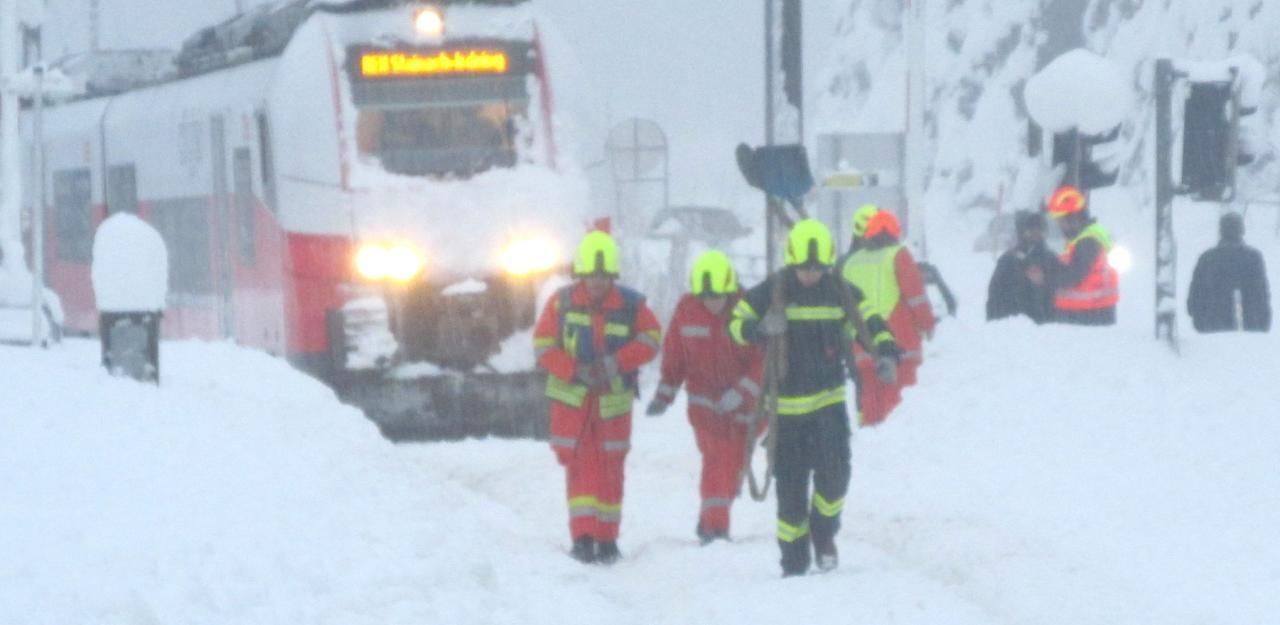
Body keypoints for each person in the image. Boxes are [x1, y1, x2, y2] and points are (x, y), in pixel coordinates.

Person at [730, 219, 899, 577]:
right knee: (790, 494)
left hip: (828, 407)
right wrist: (757, 328)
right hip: (787, 415)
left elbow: (869, 320)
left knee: (836, 478)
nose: (810, 275)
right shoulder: (773, 290)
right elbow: (736, 321)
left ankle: (823, 532)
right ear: (792, 262)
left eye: (818, 268)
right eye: (804, 268)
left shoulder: (839, 290)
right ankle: (793, 563)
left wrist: (887, 352)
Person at [533, 230, 662, 565]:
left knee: (610, 473)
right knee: (580, 471)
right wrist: (574, 370)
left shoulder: (632, 305)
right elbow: (544, 346)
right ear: (581, 274)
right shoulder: (560, 303)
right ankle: (582, 538)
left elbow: (651, 339)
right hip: (574, 405)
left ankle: (607, 540)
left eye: (603, 276)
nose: (597, 283)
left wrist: (617, 363)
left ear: (613, 276)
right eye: (591, 276)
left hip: (612, 406)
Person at [646, 250, 763, 545]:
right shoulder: (686, 310)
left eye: (717, 297)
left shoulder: (747, 310)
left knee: (733, 467)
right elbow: (675, 357)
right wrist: (664, 395)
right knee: (717, 461)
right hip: (705, 406)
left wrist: (741, 393)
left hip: (747, 408)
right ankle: (715, 530)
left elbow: (762, 360)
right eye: (706, 297)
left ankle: (710, 517)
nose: (712, 303)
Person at [841, 210, 935, 427]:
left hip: (862, 347)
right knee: (899, 409)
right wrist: (928, 325)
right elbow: (916, 297)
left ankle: (872, 445)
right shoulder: (898, 255)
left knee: (871, 403)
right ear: (895, 233)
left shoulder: (851, 263)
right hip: (899, 347)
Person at [1043, 185, 1118, 325]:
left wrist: (1044, 279)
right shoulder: (1081, 238)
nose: (1059, 225)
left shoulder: (1087, 241)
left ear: (1074, 218)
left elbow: (1074, 275)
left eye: (1061, 220)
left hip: (1088, 314)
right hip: (1088, 311)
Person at [1187, 212, 1271, 333]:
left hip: (1212, 328)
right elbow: (1261, 295)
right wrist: (1263, 324)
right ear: (1242, 230)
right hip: (1249, 329)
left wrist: (1199, 322)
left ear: (1221, 231)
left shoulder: (1207, 258)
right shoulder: (1253, 258)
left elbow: (1195, 297)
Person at [986, 210, 1057, 323]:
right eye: (1031, 229)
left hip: (1045, 330)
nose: (1036, 233)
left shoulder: (1051, 259)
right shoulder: (1008, 260)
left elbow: (1057, 294)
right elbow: (994, 298)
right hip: (1012, 327)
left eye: (1040, 228)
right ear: (1021, 231)